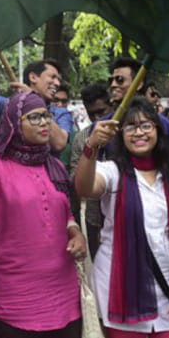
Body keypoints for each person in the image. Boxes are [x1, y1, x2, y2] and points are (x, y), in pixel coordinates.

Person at [0, 91, 84, 337]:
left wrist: (76, 232)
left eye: (47, 116)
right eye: (34, 117)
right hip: (13, 304)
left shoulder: (54, 166)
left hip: (64, 300)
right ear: (15, 123)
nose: (45, 122)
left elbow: (67, 214)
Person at [75, 97, 169, 338]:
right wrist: (91, 147)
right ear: (120, 134)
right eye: (130, 127)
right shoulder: (112, 172)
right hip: (121, 291)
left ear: (158, 131)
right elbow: (85, 188)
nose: (138, 132)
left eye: (146, 126)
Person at [0, 59, 73, 154]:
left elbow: (59, 144)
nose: (57, 83)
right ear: (33, 77)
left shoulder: (61, 113)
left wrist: (34, 100)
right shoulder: (10, 106)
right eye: (53, 77)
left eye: (58, 79)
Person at [69, 82, 114, 257]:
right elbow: (74, 177)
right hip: (95, 217)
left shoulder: (125, 133)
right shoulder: (82, 138)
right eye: (91, 114)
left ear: (111, 106)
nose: (97, 119)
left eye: (102, 112)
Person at [107, 58, 169, 166]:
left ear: (139, 84)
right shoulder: (104, 125)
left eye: (120, 79)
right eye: (111, 80)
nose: (113, 85)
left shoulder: (163, 124)